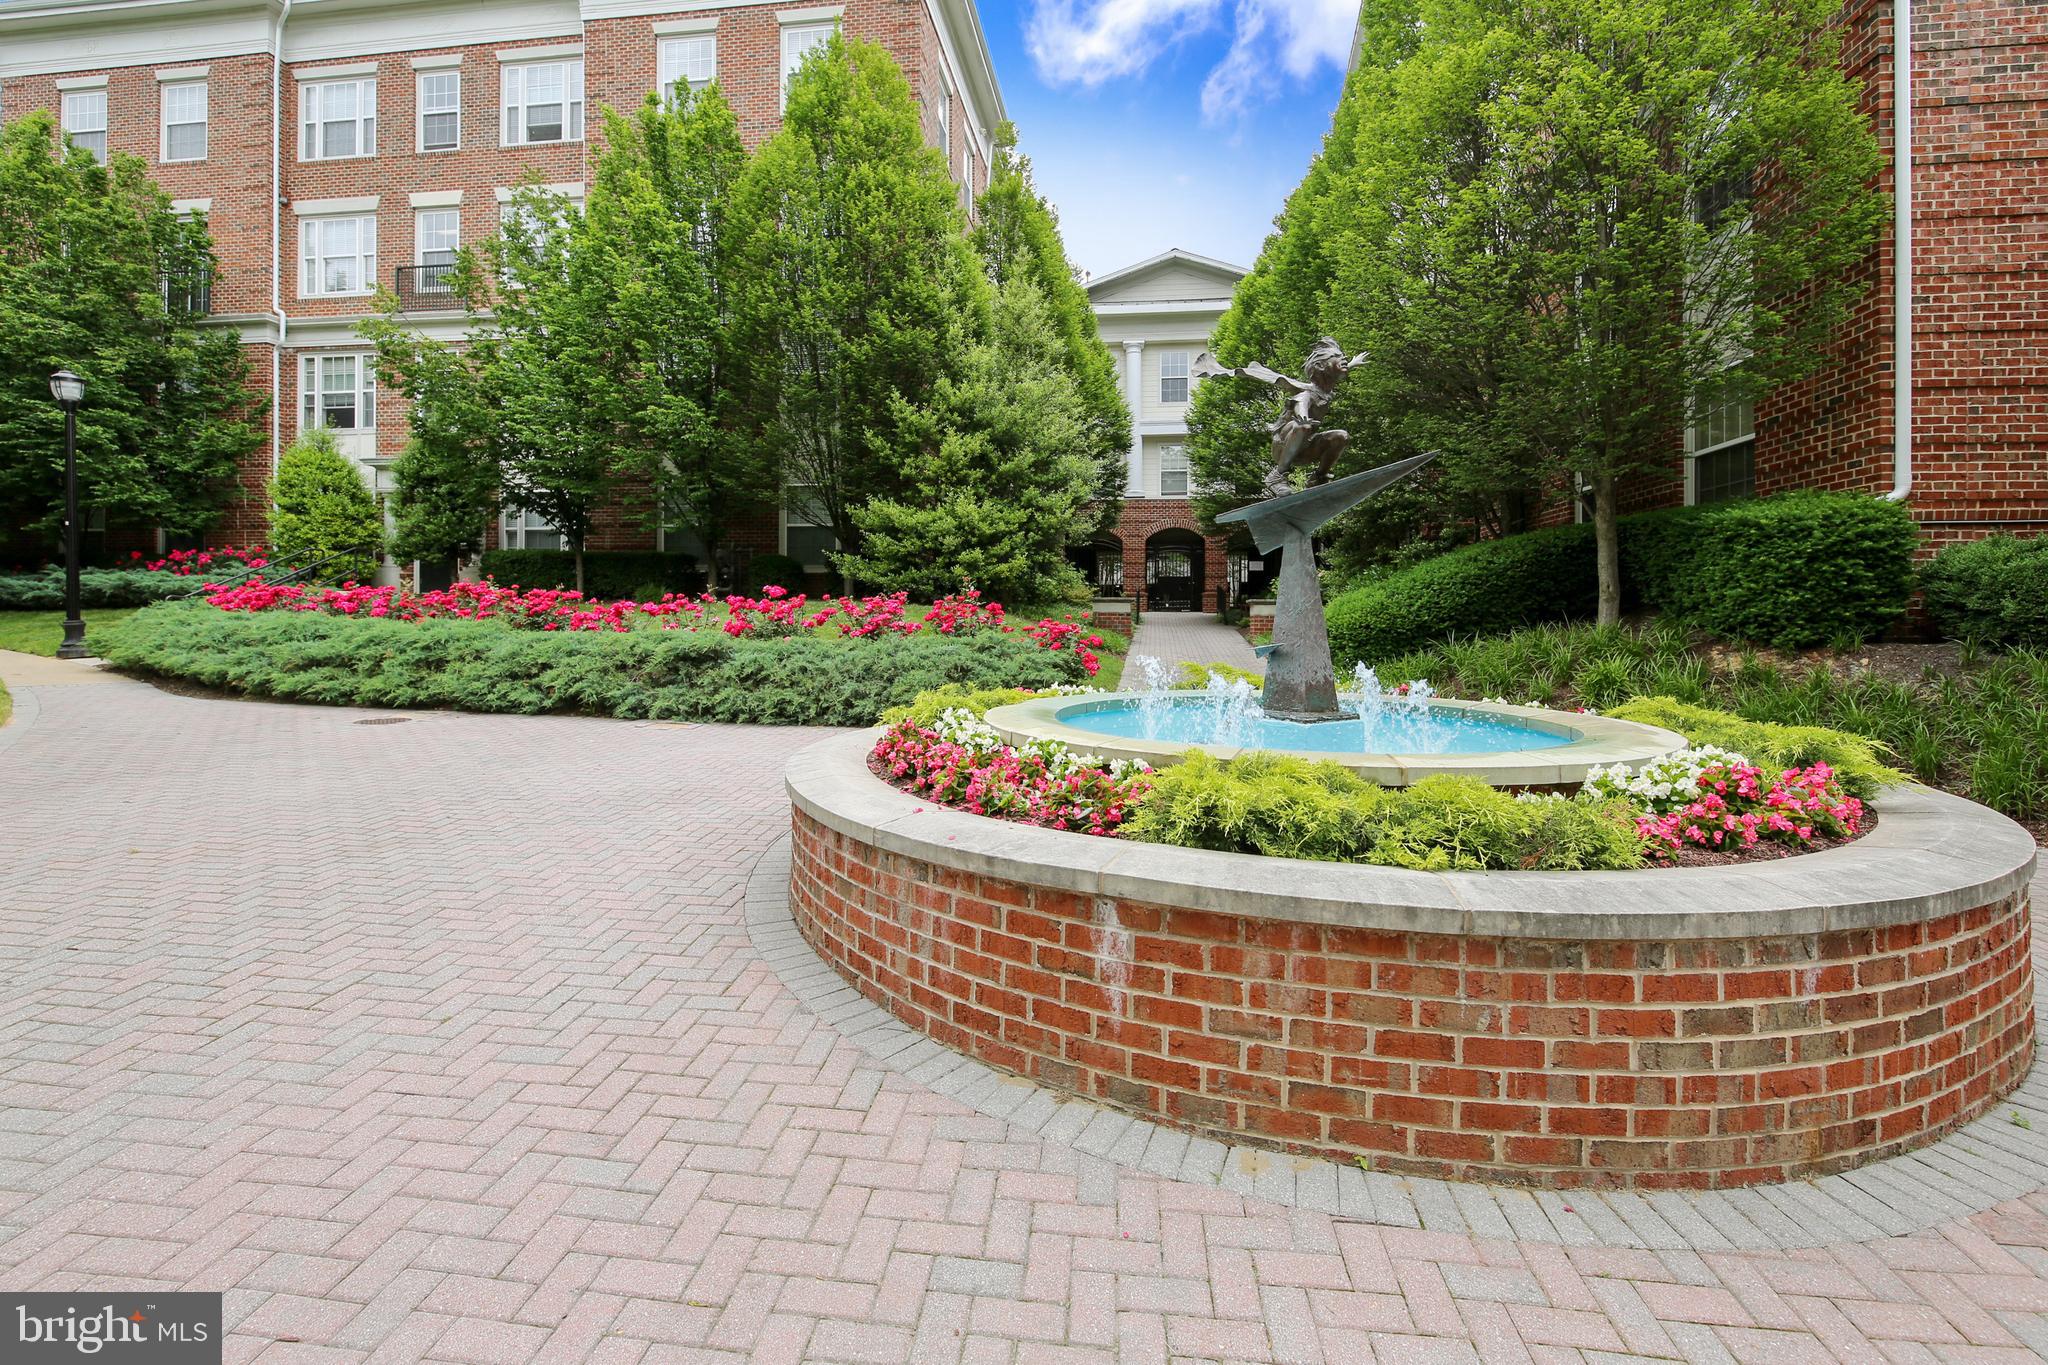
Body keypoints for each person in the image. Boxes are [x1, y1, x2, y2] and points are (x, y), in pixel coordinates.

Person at [1194, 337, 1369, 495]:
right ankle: (1277, 475)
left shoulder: (1325, 391)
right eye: (1337, 357)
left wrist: (1352, 363)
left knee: (1341, 436)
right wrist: (1303, 416)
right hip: (1284, 445)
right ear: (1321, 366)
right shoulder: (1307, 392)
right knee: (1303, 426)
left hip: (1304, 449)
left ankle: (1318, 477)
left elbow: (1333, 378)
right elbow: (1301, 401)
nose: (1344, 359)